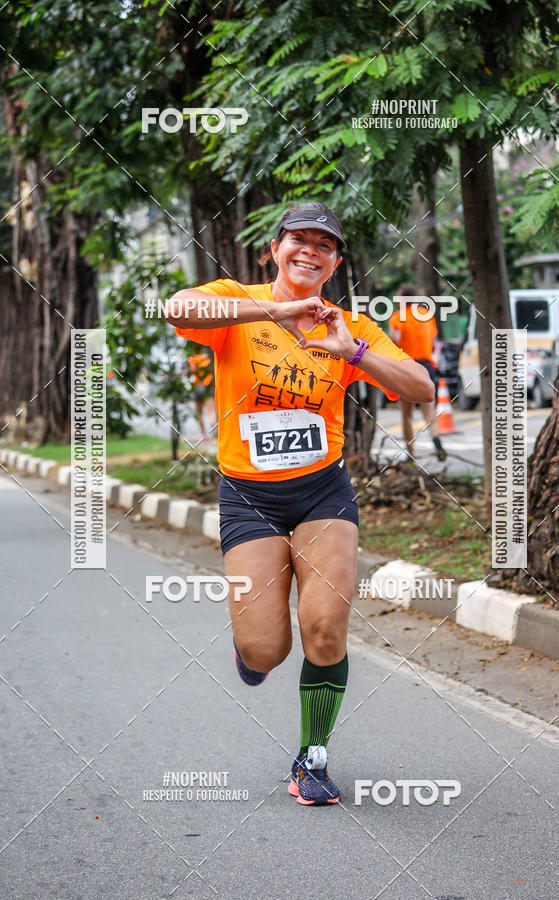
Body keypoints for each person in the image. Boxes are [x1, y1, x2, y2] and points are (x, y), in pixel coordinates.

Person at [166, 202, 434, 806]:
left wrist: (353, 354)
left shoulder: (350, 326)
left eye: (324, 244)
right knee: (268, 648)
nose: (310, 250)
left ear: (336, 262)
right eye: (299, 240)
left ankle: (312, 757)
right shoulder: (237, 301)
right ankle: (250, 643)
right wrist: (281, 308)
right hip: (248, 496)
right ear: (276, 247)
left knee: (325, 628)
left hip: (322, 493)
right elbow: (178, 307)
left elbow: (422, 386)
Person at [388, 286, 447, 462]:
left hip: (407, 366)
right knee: (430, 411)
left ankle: (411, 454)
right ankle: (436, 441)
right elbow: (433, 340)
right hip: (426, 367)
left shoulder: (398, 317)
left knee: (407, 414)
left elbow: (394, 338)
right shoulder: (426, 315)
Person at [187, 351, 216, 440]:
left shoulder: (191, 359)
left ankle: (204, 435)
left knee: (199, 413)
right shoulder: (207, 359)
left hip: (197, 387)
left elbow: (189, 372)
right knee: (210, 411)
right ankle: (214, 426)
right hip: (207, 388)